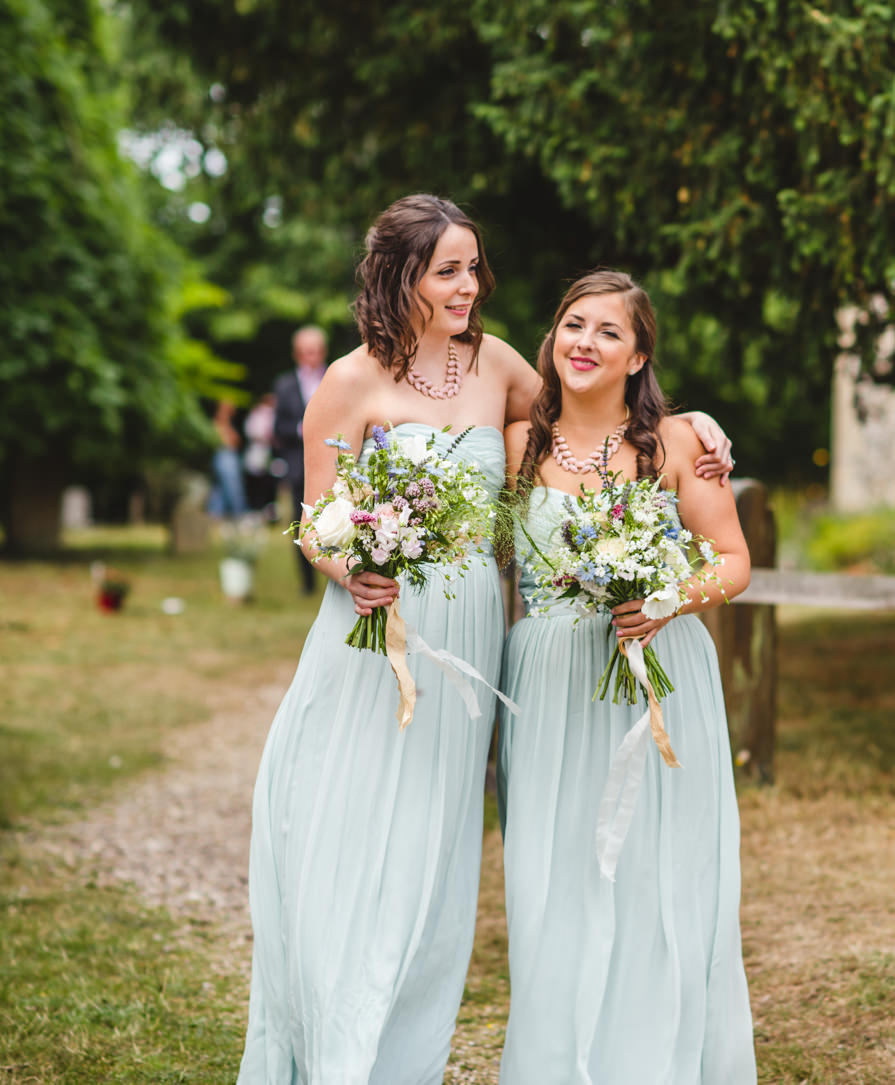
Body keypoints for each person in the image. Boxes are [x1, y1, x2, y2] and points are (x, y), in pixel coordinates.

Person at [236, 196, 734, 1085]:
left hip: (475, 637)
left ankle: (408, 1057)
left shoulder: (498, 364)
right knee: (354, 828)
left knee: (440, 841)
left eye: (474, 267)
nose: (470, 286)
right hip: (378, 631)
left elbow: (600, 424)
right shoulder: (347, 381)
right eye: (448, 271)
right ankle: (337, 1046)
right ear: (401, 279)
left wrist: (699, 431)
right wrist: (349, 565)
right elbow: (316, 517)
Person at [497, 270, 756, 1083]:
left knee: (654, 868)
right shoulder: (516, 445)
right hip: (547, 681)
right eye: (574, 324)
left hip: (657, 673)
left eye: (609, 331)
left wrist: (669, 596)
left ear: (638, 354)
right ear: (552, 337)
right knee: (554, 868)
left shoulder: (681, 442)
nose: (585, 342)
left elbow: (735, 562)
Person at [272, 326, 330, 593]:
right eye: (307, 352)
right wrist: (304, 428)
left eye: (316, 351)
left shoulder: (335, 378)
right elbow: (278, 429)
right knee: (300, 523)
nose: (312, 357)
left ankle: (337, 576)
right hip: (298, 465)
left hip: (333, 462)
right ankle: (307, 584)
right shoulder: (284, 386)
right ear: (297, 354)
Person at [241, 392, 280, 517]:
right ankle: (258, 509)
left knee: (267, 483)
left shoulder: (269, 414)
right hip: (258, 453)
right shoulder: (259, 414)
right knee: (258, 483)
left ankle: (266, 510)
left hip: (269, 454)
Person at [207, 399, 247, 519]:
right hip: (225, 459)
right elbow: (231, 441)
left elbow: (236, 441)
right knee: (232, 488)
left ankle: (215, 515)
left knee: (219, 489)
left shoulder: (227, 424)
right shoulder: (219, 424)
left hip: (227, 458)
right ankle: (238, 515)